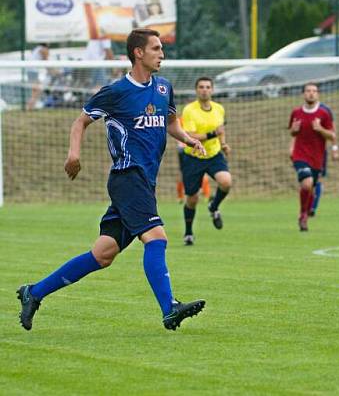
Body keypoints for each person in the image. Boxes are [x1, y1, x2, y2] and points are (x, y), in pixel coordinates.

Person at [17, 28, 207, 331]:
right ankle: (169, 308)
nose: (162, 54)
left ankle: (33, 293)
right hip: (127, 177)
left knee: (102, 254)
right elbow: (80, 122)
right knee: (157, 238)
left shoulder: (163, 88)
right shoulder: (117, 91)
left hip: (145, 181)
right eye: (156, 49)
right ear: (138, 53)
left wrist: (188, 139)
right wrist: (73, 155)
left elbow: (170, 122)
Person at [179, 77, 232, 245]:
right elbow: (190, 135)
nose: (204, 90)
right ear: (196, 90)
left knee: (226, 182)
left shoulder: (219, 109)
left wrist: (223, 144)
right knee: (192, 199)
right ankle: (188, 233)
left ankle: (213, 207)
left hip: (214, 154)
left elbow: (220, 130)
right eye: (201, 87)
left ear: (212, 90)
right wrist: (211, 134)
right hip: (193, 156)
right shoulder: (189, 110)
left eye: (208, 87)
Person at [289, 83, 337, 232]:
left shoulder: (324, 114)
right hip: (300, 155)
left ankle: (306, 211)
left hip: (317, 158)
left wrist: (320, 128)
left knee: (312, 188)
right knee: (307, 183)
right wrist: (293, 131)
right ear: (303, 94)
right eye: (308, 91)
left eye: (314, 91)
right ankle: (303, 215)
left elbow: (332, 135)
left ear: (318, 94)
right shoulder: (296, 112)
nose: (311, 94)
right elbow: (292, 132)